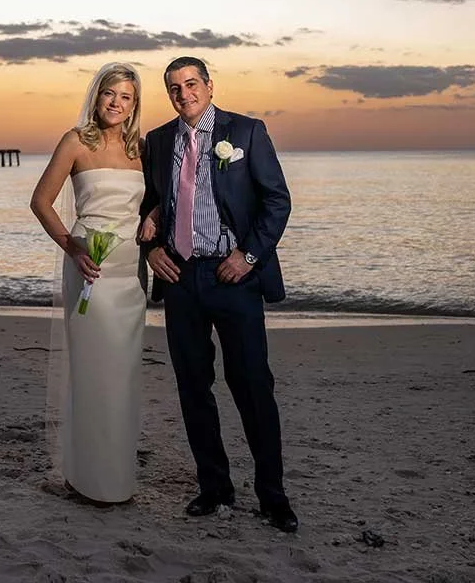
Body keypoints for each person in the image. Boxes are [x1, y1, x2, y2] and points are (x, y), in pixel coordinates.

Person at [139, 56, 297, 532]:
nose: (182, 92)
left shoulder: (246, 133)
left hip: (235, 279)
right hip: (181, 279)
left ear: (209, 85)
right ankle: (214, 489)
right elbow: (148, 203)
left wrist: (247, 256)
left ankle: (273, 496)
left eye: (191, 83)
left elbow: (276, 200)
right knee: (193, 388)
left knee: (252, 386)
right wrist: (150, 250)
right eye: (173, 87)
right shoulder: (159, 141)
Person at [29, 62, 150, 504]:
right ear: (96, 96)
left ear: (135, 104)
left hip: (130, 277)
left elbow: (155, 205)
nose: (117, 104)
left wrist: (154, 218)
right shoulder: (76, 141)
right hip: (90, 274)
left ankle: (117, 479)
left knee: (123, 378)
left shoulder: (142, 148)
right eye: (110, 95)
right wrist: (73, 249)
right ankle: (86, 479)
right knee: (93, 374)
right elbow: (41, 202)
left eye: (127, 97)